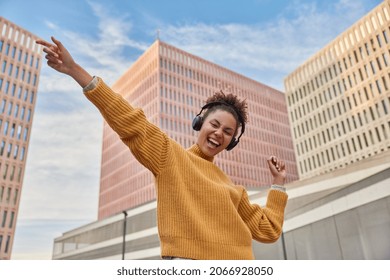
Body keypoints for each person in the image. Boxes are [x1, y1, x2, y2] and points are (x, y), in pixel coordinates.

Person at [36, 36, 288, 260]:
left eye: (228, 132)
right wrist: (75, 71)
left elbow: (268, 231)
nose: (219, 134)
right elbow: (131, 121)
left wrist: (277, 184)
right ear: (199, 123)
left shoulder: (234, 190)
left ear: (232, 142)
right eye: (215, 124)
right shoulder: (171, 156)